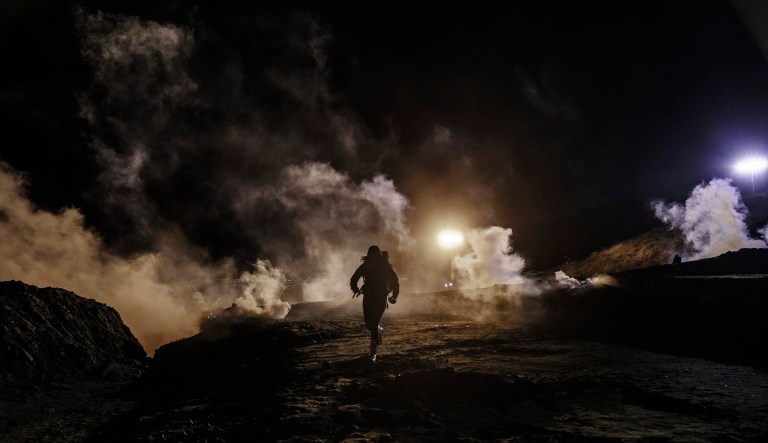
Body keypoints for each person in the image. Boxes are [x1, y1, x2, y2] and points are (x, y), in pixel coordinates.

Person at [350, 245, 399, 363]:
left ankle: (373, 354)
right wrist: (355, 289)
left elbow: (395, 282)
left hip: (381, 298)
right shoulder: (366, 266)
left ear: (378, 255)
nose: (373, 258)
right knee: (368, 324)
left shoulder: (386, 267)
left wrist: (394, 296)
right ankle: (379, 330)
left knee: (374, 323)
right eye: (371, 256)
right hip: (368, 297)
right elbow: (354, 278)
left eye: (375, 256)